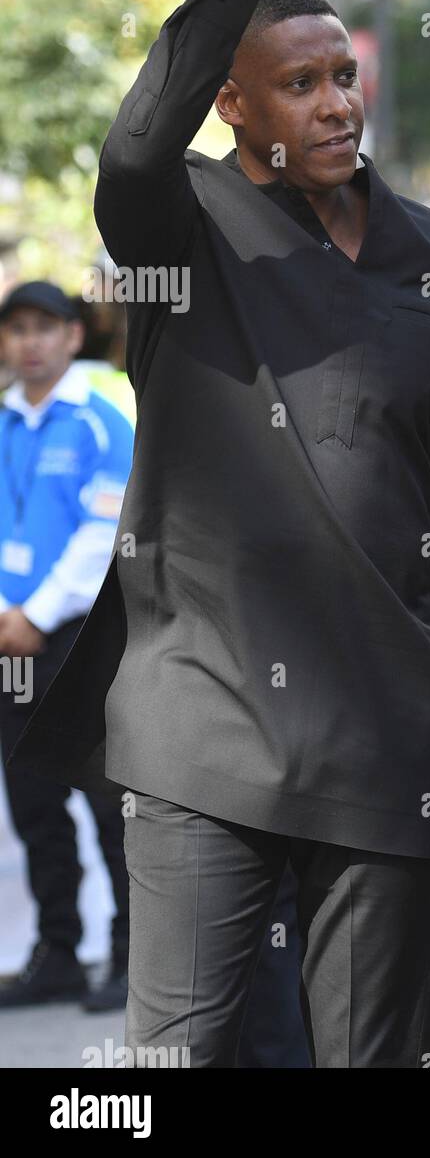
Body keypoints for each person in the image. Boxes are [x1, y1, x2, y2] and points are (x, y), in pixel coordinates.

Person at [8, 0, 430, 1068]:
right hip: (199, 725)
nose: (337, 102)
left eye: (345, 75)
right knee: (177, 1059)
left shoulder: (429, 251)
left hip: (387, 736)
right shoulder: (180, 225)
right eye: (301, 82)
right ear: (233, 101)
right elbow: (131, 140)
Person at [0, 281, 133, 1012]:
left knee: (109, 805)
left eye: (44, 327)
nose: (30, 341)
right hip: (9, 642)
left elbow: (103, 533)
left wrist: (37, 613)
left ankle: (128, 953)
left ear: (73, 339)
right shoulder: (1, 424)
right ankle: (56, 952)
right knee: (33, 804)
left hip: (79, 640)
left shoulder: (100, 422)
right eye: (16, 327)